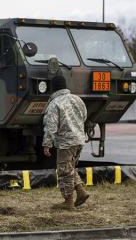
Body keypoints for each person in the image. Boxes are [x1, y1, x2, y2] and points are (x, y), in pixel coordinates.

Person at [42, 75, 89, 210]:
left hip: (65, 143)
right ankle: (81, 192)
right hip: (79, 140)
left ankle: (68, 202)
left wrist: (47, 144)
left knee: (64, 171)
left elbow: (51, 126)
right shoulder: (77, 99)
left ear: (53, 88)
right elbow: (84, 116)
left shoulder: (54, 103)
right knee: (69, 168)